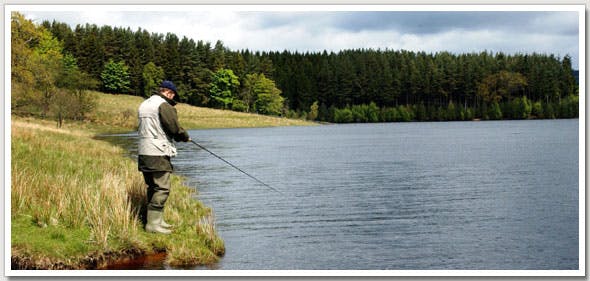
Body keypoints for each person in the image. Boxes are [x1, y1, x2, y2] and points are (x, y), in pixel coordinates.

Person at [138, 80, 191, 234]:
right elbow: (174, 127)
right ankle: (153, 225)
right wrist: (185, 137)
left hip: (143, 151)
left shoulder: (144, 104)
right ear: (169, 92)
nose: (172, 99)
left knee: (152, 187)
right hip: (157, 152)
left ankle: (157, 222)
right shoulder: (163, 105)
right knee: (162, 188)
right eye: (173, 96)